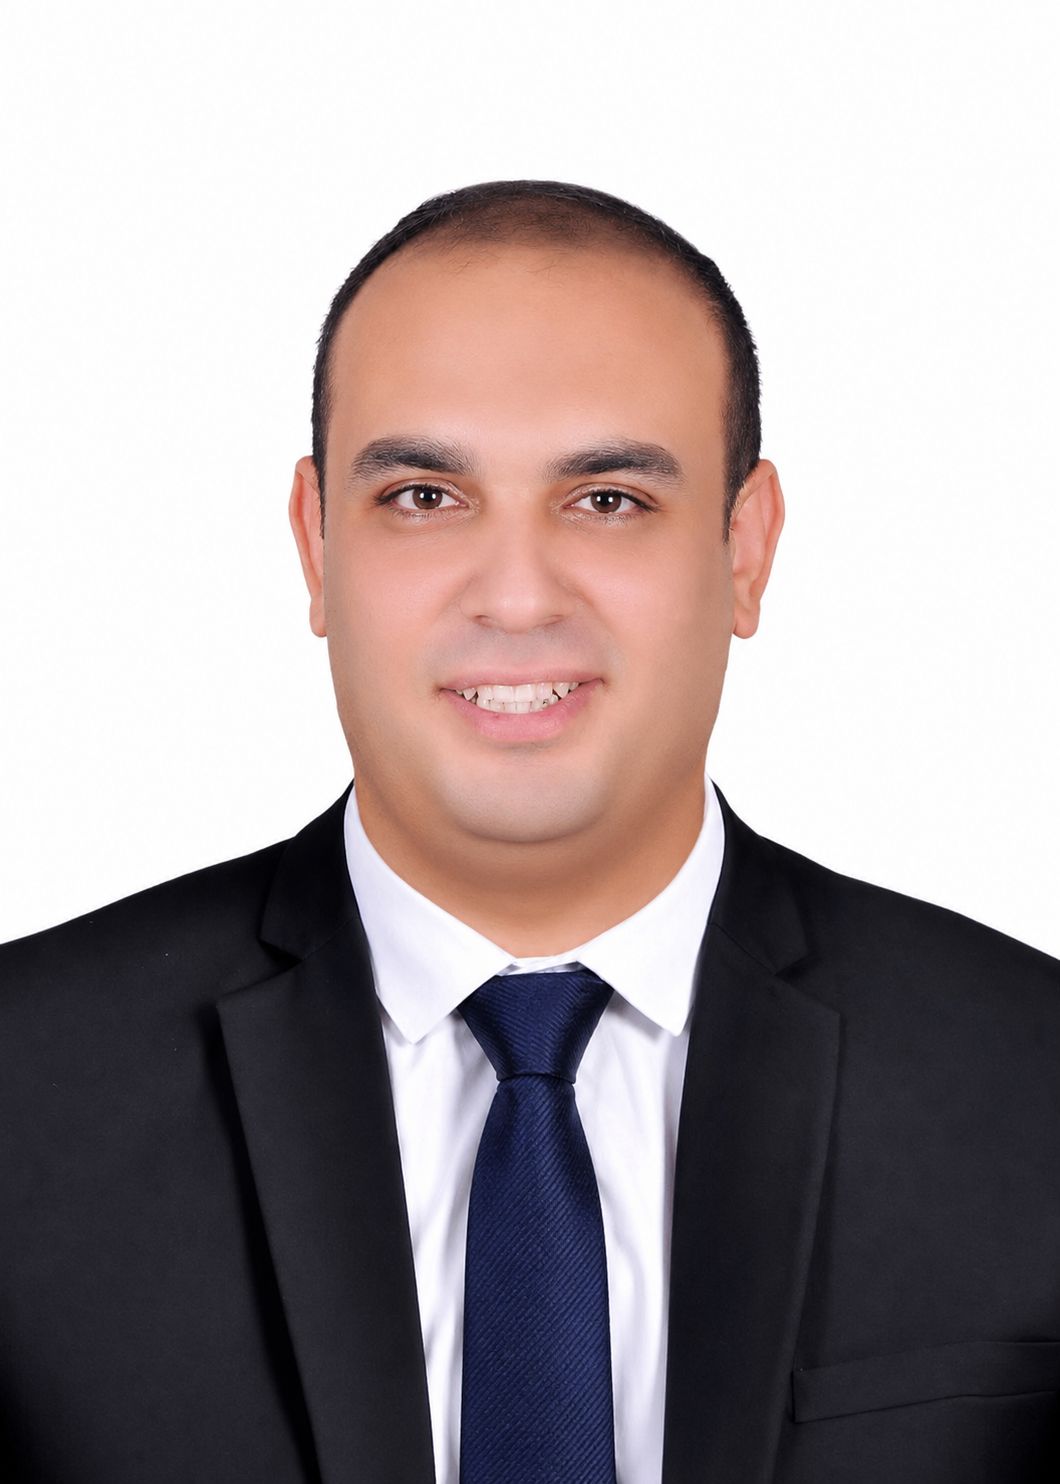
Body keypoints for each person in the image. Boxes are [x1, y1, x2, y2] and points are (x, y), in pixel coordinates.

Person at [1, 178, 1058, 1484]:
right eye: (423, 498)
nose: (514, 597)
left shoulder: (1033, 1084)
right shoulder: (23, 1091)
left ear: (746, 548)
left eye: (607, 499)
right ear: (316, 545)